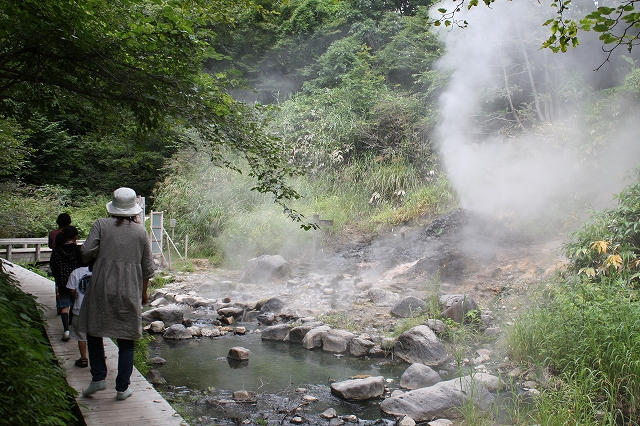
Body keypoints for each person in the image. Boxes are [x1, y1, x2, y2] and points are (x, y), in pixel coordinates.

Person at [78, 187, 154, 401]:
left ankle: (98, 378)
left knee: (94, 331)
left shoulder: (101, 225)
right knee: (126, 338)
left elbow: (85, 252)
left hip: (102, 285)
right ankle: (122, 388)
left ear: (112, 207)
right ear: (134, 210)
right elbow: (147, 267)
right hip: (129, 288)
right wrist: (144, 292)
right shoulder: (141, 232)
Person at [49, 225, 80, 341]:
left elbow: (53, 265)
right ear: (76, 236)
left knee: (64, 306)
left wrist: (57, 276)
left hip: (62, 281)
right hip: (76, 282)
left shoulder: (57, 250)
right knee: (74, 304)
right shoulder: (77, 250)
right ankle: (72, 326)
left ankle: (66, 330)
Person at [66, 260, 93, 368]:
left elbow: (71, 290)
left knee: (81, 335)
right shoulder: (97, 271)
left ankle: (83, 358)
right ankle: (99, 357)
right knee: (95, 335)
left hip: (79, 308)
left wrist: (76, 297)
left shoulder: (75, 272)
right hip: (95, 310)